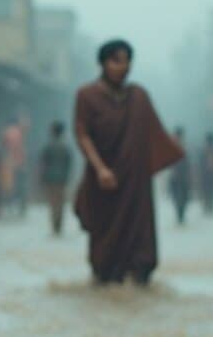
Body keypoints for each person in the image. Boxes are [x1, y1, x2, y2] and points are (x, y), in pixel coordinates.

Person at [72, 40, 185, 285]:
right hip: (103, 181)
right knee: (105, 246)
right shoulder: (87, 95)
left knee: (139, 242)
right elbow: (82, 134)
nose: (123, 67)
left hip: (134, 181)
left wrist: (176, 147)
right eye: (116, 61)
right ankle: (105, 276)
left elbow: (155, 135)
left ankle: (139, 275)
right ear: (103, 63)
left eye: (127, 61)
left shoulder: (139, 97)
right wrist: (100, 168)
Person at [40, 121, 76, 235]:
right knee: (60, 203)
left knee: (53, 203)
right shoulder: (65, 147)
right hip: (62, 179)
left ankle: (54, 225)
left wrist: (42, 177)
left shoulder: (48, 147)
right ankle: (58, 225)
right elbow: (69, 164)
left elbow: (44, 164)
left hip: (50, 179)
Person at [1, 115, 31, 217]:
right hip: (20, 162)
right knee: (21, 186)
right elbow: (21, 147)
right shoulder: (20, 132)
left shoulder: (5, 132)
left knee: (8, 186)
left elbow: (4, 146)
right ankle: (22, 207)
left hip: (9, 162)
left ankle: (9, 205)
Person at [166, 126, 193, 226]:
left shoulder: (184, 146)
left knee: (182, 197)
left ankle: (180, 215)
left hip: (181, 176)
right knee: (179, 197)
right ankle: (180, 215)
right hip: (176, 176)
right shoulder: (172, 145)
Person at [198, 133, 213, 216]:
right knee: (209, 190)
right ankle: (208, 205)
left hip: (210, 175)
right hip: (207, 175)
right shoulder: (206, 151)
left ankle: (210, 205)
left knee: (210, 190)